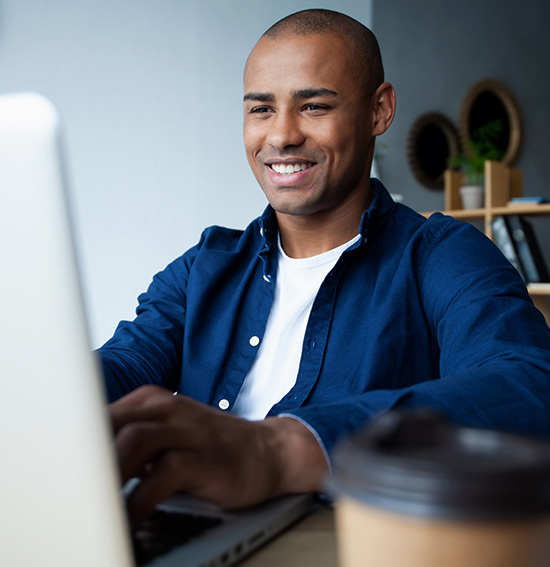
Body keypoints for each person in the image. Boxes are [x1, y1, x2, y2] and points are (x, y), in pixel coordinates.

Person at [101, 9, 550, 526]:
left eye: (313, 106)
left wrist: (280, 450)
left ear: (379, 111)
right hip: (191, 533)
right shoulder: (205, 267)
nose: (282, 135)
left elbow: (531, 385)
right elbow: (123, 365)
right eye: (261, 109)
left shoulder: (443, 254)